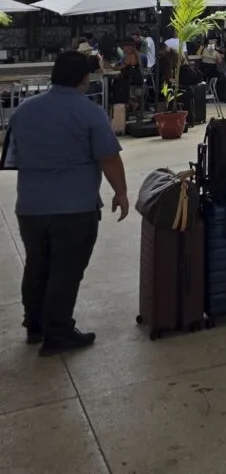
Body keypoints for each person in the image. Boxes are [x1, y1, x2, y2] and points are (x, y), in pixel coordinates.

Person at [2, 51, 130, 356]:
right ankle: (58, 333)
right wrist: (121, 193)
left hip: (31, 207)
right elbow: (109, 157)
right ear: (85, 79)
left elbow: (13, 158)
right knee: (65, 270)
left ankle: (35, 326)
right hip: (75, 208)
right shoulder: (89, 112)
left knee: (37, 266)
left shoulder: (24, 111)